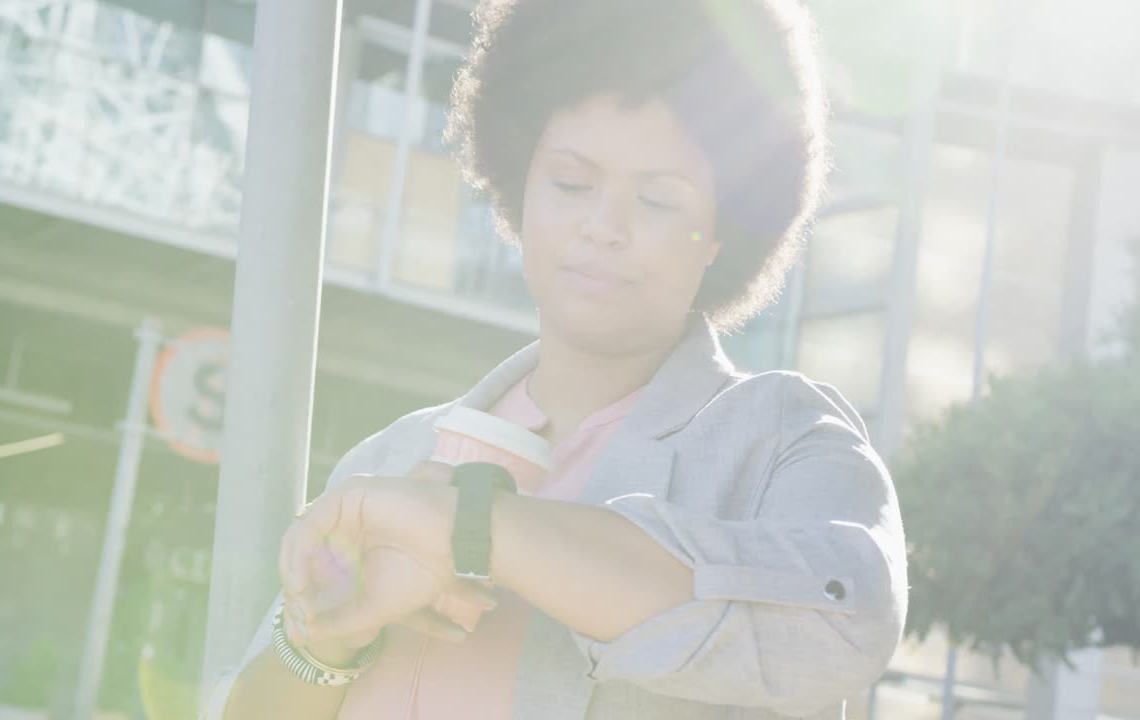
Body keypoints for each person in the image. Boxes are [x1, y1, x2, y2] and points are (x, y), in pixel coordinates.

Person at [205, 0, 908, 717]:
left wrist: (467, 528)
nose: (604, 227)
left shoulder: (783, 442)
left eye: (659, 200)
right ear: (519, 185)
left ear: (722, 231)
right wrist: (325, 643)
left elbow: (843, 621)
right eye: (572, 184)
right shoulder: (392, 457)